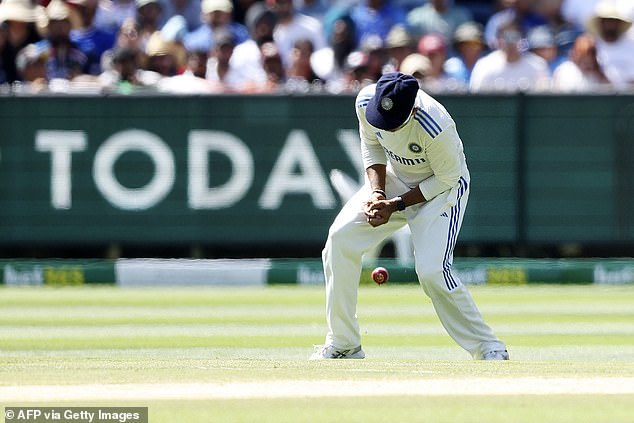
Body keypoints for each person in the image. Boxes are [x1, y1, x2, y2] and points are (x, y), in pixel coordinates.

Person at [310, 72, 509, 361]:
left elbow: (445, 178)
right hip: (394, 179)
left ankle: (489, 347)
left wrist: (395, 204)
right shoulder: (365, 101)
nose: (387, 130)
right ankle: (344, 343)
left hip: (441, 191)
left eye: (395, 125)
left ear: (413, 110)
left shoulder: (436, 125)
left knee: (432, 272)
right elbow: (372, 146)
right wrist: (377, 193)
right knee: (340, 240)